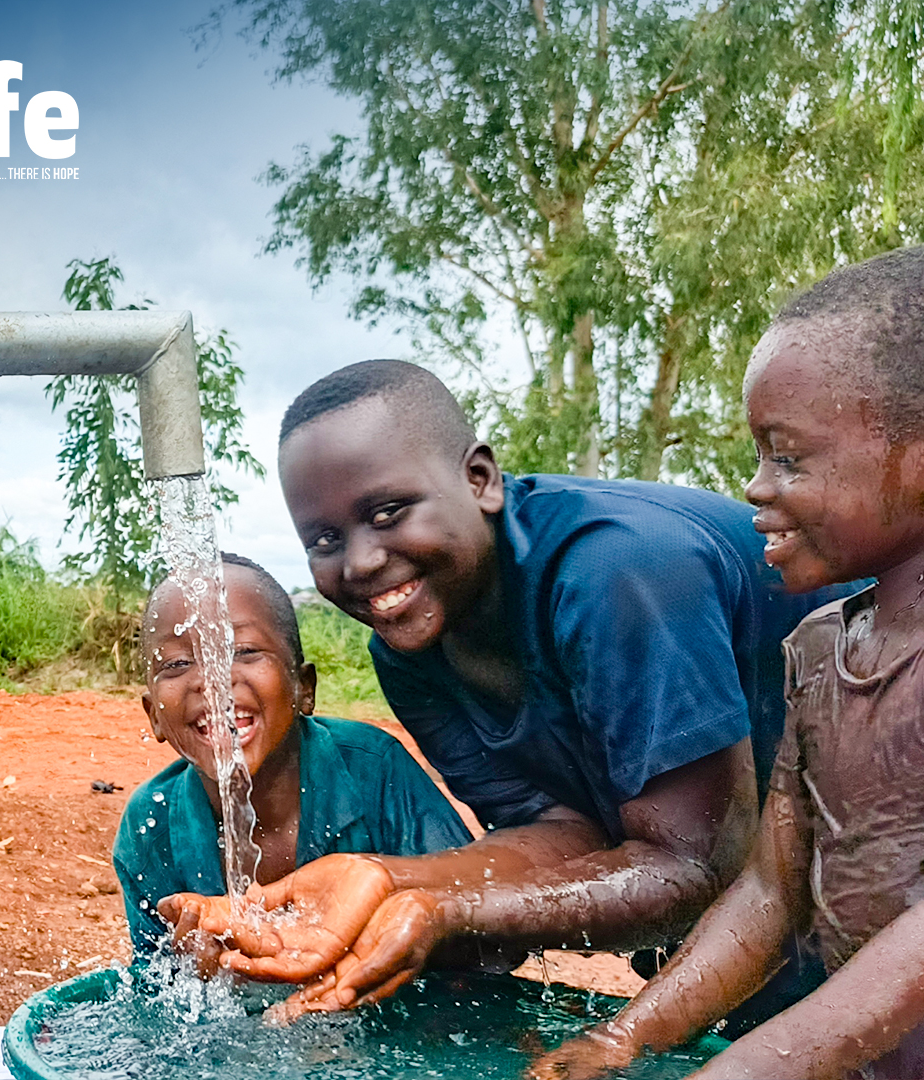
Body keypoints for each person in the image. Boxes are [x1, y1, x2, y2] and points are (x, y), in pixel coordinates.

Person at [174, 354, 857, 1024]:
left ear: (480, 479)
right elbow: (564, 834)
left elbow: (697, 867)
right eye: (324, 538)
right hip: (775, 878)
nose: (361, 561)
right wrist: (380, 878)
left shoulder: (616, 573)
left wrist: (443, 913)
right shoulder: (411, 648)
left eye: (388, 512)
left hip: (876, 836)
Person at [530, 247, 924, 1080]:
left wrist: (750, 1068)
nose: (755, 487)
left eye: (786, 456)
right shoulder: (819, 653)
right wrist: (624, 1037)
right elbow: (771, 892)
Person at [112, 552, 472, 965]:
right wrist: (188, 972)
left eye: (243, 650)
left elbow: (485, 928)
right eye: (177, 663)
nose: (211, 680)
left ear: (303, 687)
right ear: (153, 715)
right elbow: (150, 989)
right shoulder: (150, 826)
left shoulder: (375, 771)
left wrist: (386, 923)